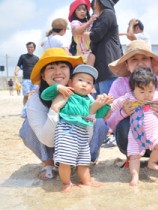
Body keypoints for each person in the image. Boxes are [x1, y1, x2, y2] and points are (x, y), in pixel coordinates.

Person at [19, 48, 109, 181]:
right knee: (27, 126)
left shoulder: (83, 94)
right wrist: (54, 108)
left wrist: (92, 111)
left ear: (70, 73)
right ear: (43, 75)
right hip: (51, 140)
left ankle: (85, 162)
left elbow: (88, 135)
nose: (58, 72)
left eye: (63, 66)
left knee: (100, 123)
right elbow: (48, 141)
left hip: (78, 139)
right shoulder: (36, 99)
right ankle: (48, 164)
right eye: (51, 68)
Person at [107, 67, 158, 186]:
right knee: (134, 156)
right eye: (142, 92)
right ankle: (135, 176)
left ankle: (152, 161)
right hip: (135, 133)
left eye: (150, 91)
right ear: (134, 90)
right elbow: (116, 104)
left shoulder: (156, 96)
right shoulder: (129, 97)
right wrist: (107, 112)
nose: (146, 95)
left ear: (154, 88)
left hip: (153, 132)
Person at [41, 64, 112, 192]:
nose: (84, 84)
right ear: (70, 82)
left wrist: (106, 105)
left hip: (82, 133)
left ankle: (86, 182)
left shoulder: (89, 100)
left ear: (92, 88)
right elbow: (45, 95)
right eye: (80, 80)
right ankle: (66, 183)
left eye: (88, 82)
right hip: (66, 130)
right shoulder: (68, 94)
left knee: (83, 161)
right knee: (65, 160)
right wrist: (57, 87)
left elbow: (99, 114)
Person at [107, 40, 158, 164]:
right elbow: (109, 120)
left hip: (155, 136)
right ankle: (130, 157)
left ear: (151, 62)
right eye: (134, 59)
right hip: (129, 140)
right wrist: (123, 112)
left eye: (144, 58)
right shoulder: (119, 84)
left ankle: (156, 156)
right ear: (126, 65)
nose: (140, 63)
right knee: (124, 124)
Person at [89, 0, 122, 95]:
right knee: (99, 108)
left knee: (108, 106)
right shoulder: (105, 16)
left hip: (107, 71)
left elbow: (95, 35)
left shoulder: (107, 13)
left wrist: (82, 34)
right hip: (100, 72)